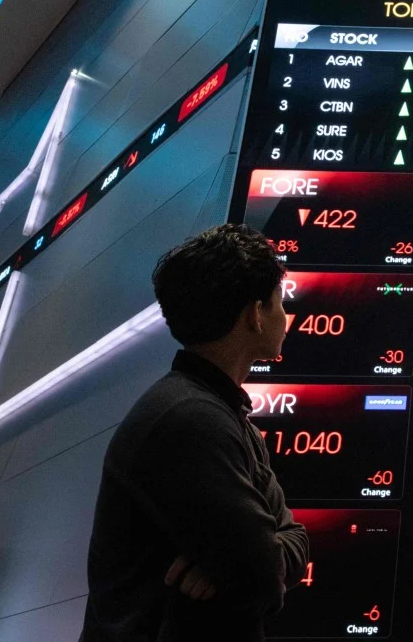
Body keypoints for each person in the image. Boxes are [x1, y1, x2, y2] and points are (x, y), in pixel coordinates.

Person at [81, 224, 309, 641]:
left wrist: (238, 562)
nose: (286, 316)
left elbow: (292, 541)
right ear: (255, 315)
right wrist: (253, 560)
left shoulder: (214, 412)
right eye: (279, 302)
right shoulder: (192, 421)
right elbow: (262, 575)